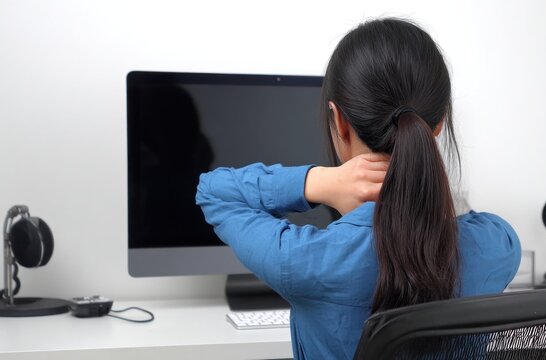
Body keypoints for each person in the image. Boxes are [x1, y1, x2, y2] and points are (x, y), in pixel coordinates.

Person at [196, 18, 521, 360]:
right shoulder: (496, 245)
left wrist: (319, 181)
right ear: (438, 125)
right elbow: (474, 230)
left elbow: (213, 190)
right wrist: (420, 191)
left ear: (338, 120)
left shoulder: (308, 261)